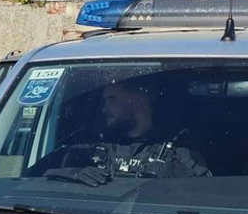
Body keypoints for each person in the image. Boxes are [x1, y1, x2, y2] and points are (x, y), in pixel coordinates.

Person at [34, 77, 210, 184]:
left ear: (141, 99)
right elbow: (30, 179)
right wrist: (69, 175)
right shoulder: (86, 148)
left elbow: (204, 201)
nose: (103, 109)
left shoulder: (180, 155)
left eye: (111, 100)